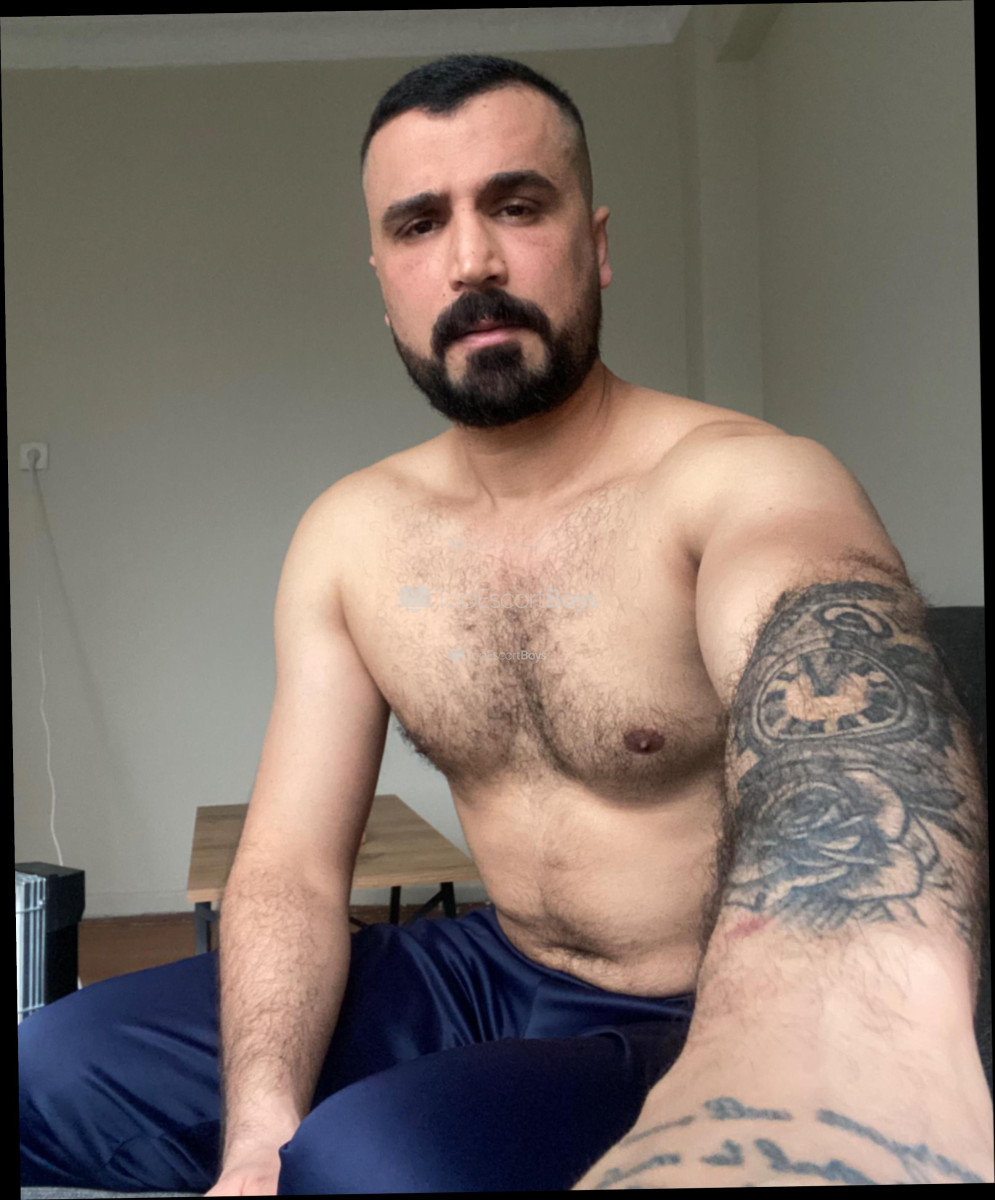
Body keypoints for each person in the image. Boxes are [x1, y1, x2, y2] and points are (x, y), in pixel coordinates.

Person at [19, 53, 992, 1194]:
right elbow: (289, 867)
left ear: (596, 243)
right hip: (486, 964)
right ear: (383, 278)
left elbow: (850, 747)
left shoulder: (742, 481)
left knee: (365, 1164)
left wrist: (811, 1056)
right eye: (420, 223)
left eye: (517, 206)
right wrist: (254, 1136)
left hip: (695, 1007)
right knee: (49, 1068)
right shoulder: (352, 535)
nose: (472, 260)